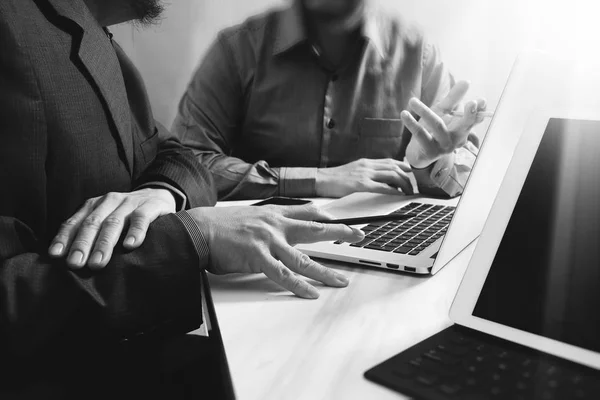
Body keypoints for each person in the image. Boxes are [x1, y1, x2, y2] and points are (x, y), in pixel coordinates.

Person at [0, 0, 364, 391]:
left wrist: (162, 192)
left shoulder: (95, 38)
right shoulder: (12, 30)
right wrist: (192, 237)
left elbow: (179, 155)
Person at [172, 0, 487, 201]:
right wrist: (319, 180)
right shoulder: (237, 50)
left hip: (376, 259)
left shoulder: (418, 53)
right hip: (257, 256)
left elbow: (467, 176)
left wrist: (429, 164)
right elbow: (185, 165)